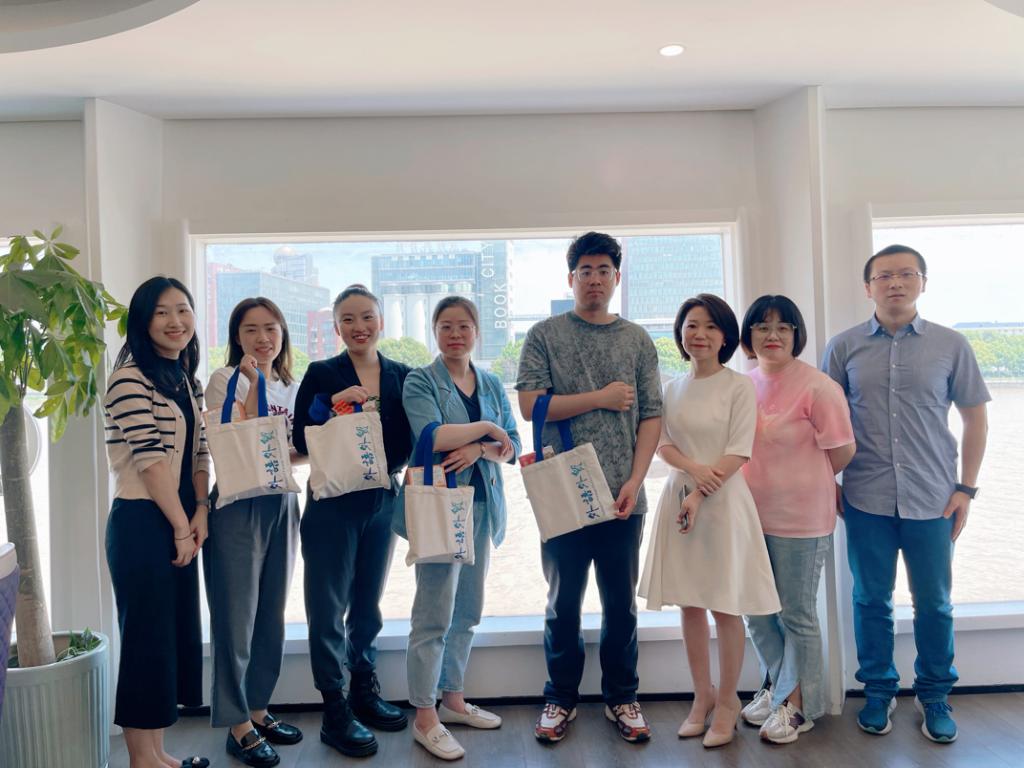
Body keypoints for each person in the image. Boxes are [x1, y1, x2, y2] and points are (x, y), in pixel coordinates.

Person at [823, 244, 989, 744]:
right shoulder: (843, 347)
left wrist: (966, 489)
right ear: (867, 287)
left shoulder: (951, 345)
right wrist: (829, 483)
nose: (895, 283)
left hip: (934, 497)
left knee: (934, 603)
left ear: (922, 283)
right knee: (870, 599)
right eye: (884, 276)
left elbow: (975, 418)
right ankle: (878, 691)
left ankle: (934, 695)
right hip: (865, 497)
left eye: (906, 274)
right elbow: (824, 423)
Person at [516, 232, 662, 745]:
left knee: (620, 605)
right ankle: (561, 698)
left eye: (603, 270)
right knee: (563, 603)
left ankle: (623, 697)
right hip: (563, 492)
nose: (594, 279)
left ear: (616, 278)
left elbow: (652, 416)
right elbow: (530, 406)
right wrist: (599, 397)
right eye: (585, 270)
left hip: (623, 495)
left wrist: (635, 481)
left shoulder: (637, 339)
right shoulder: (545, 334)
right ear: (571, 277)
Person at [639, 293, 780, 749]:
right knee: (690, 603)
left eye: (710, 326)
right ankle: (703, 696)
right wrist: (693, 474)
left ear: (725, 336)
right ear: (680, 334)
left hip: (722, 503)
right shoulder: (672, 388)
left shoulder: (738, 386)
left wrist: (701, 488)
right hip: (680, 498)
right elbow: (663, 444)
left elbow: (739, 451)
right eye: (691, 326)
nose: (699, 334)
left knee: (725, 605)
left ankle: (728, 703)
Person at [291, 285, 415, 758]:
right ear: (337, 327)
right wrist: (331, 406)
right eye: (348, 319)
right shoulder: (322, 372)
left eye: (366, 317)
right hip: (332, 501)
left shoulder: (402, 374)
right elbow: (301, 436)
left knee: (367, 602)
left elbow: (412, 436)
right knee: (326, 605)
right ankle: (333, 706)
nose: (359, 326)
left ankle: (363, 686)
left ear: (380, 321)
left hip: (382, 497)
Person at [399, 296, 520, 761]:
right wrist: (486, 428)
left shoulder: (489, 381)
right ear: (435, 331)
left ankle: (452, 699)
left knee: (467, 609)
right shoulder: (420, 380)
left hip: (483, 504)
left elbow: (511, 444)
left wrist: (479, 449)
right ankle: (425, 717)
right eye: (446, 326)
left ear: (477, 332)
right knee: (432, 614)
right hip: (440, 506)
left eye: (464, 326)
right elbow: (431, 435)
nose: (455, 334)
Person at [737, 295, 856, 745]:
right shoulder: (744, 385)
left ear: (795, 335)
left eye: (783, 327)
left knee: (796, 614)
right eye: (762, 327)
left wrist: (804, 480)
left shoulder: (818, 387)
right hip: (748, 517)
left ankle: (798, 706)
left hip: (801, 519)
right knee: (755, 611)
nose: (772, 335)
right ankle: (778, 686)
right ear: (748, 336)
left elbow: (842, 450)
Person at [103, 276, 211, 768]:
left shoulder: (185, 378)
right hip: (143, 522)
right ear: (143, 321)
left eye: (183, 310)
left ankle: (158, 753)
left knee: (167, 638)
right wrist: (181, 527)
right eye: (162, 312)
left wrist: (200, 509)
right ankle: (140, 760)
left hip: (180, 516)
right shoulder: (129, 379)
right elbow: (149, 462)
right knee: (145, 641)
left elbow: (200, 451)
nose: (175, 321)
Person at [203, 297, 303, 767]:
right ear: (236, 337)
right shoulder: (225, 379)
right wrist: (255, 381)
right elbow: (237, 435)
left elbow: (292, 449)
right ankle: (236, 722)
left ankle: (259, 708)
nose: (263, 338)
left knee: (271, 613)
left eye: (271, 328)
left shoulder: (291, 384)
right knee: (235, 617)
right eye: (251, 330)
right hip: (237, 502)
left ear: (283, 333)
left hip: (282, 499)